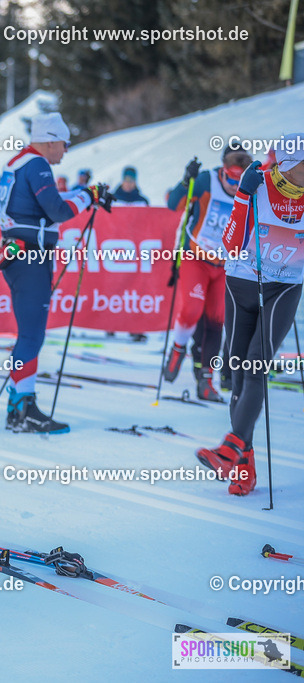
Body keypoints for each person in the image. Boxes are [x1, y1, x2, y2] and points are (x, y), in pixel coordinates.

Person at [197, 135, 304, 496]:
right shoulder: (258, 185)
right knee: (239, 374)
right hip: (241, 284)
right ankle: (245, 463)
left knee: (256, 364)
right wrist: (243, 195)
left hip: (283, 289)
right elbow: (230, 244)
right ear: (288, 164)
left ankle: (229, 449)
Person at [0, 112, 109, 434]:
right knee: (32, 335)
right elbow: (58, 211)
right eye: (64, 143)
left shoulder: (19, 161)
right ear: (50, 141)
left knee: (29, 334)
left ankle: (17, 406)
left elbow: (49, 201)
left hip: (20, 254)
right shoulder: (37, 164)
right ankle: (24, 410)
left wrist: (87, 193)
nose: (66, 150)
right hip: (29, 257)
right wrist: (88, 196)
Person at [162, 144, 253, 401]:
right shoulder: (206, 180)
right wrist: (186, 180)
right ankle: (178, 348)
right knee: (192, 309)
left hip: (224, 265)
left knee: (216, 321)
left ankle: (206, 380)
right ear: (223, 169)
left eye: (239, 181)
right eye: (231, 179)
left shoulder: (249, 189)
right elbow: (174, 205)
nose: (234, 186)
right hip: (195, 257)